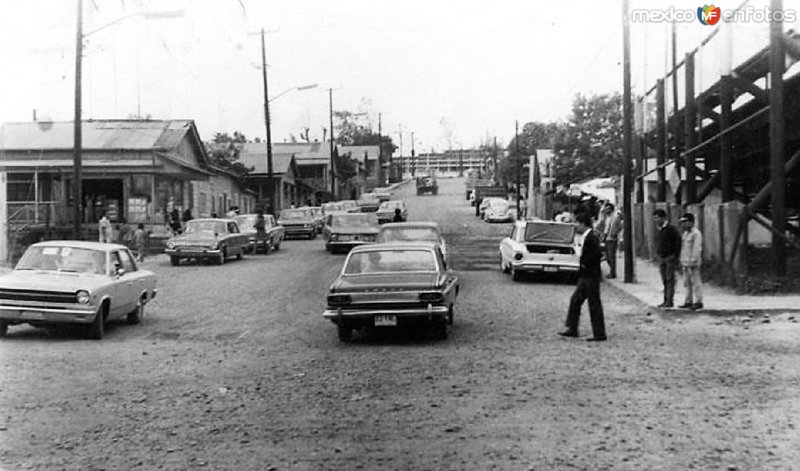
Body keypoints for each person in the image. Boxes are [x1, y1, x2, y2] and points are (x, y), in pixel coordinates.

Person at [559, 212, 607, 341]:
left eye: (577, 223)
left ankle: (599, 334)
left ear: (583, 223)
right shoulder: (586, 237)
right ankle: (572, 328)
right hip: (585, 276)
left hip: (591, 276)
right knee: (575, 300)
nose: (575, 225)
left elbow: (597, 254)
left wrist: (585, 264)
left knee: (594, 303)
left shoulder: (592, 237)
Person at [653, 208, 682, 308]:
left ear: (663, 218)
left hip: (669, 257)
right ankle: (665, 300)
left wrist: (675, 255)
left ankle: (669, 301)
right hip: (662, 257)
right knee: (664, 280)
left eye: (657, 218)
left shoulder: (671, 229)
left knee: (670, 279)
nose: (656, 220)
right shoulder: (659, 230)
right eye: (655, 218)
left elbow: (678, 242)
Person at [678, 213, 703, 310]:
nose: (683, 224)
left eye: (685, 222)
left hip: (693, 263)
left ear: (691, 222)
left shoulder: (696, 234)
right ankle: (688, 301)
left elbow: (697, 249)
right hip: (685, 262)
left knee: (696, 282)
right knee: (687, 283)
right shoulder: (685, 234)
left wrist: (693, 260)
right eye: (682, 222)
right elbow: (684, 248)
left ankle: (698, 301)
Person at [601, 203, 623, 279]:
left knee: (611, 256)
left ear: (611, 209)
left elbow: (620, 226)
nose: (607, 210)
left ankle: (613, 273)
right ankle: (611, 270)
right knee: (607, 257)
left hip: (612, 239)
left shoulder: (615, 217)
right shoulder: (607, 217)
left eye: (608, 209)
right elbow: (606, 227)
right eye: (606, 209)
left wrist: (614, 233)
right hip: (607, 238)